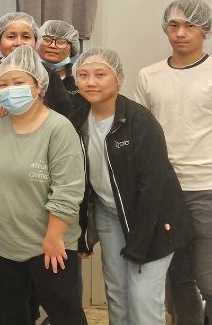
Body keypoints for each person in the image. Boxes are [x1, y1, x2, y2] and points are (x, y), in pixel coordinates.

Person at [70, 48, 191, 325]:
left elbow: (153, 188)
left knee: (142, 299)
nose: (91, 82)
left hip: (153, 221)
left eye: (101, 74)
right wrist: (82, 233)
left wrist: (139, 244)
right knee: (117, 294)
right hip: (109, 215)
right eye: (84, 75)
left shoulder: (140, 121)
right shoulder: (76, 120)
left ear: (119, 79)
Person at [0, 45, 86, 325]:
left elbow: (68, 190)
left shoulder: (58, 128)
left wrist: (53, 238)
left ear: (38, 87)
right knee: (10, 313)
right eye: (3, 84)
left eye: (18, 83)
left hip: (49, 243)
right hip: (1, 243)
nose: (9, 89)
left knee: (65, 313)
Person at [135, 0, 212, 324]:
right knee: (178, 277)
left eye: (189, 26)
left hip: (206, 187)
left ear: (204, 30)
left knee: (207, 277)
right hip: (166, 191)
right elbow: (142, 137)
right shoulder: (149, 76)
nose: (180, 33)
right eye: (173, 25)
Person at [0, 12, 74, 120]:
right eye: (11, 37)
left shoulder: (50, 76)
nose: (19, 43)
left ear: (36, 43)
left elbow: (66, 114)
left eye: (26, 37)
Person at [38, 20, 82, 103]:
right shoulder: (27, 75)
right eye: (47, 39)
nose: (52, 45)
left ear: (72, 48)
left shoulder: (80, 77)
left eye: (61, 42)